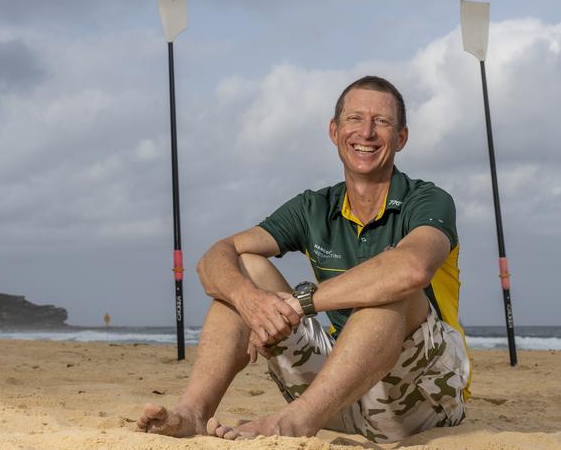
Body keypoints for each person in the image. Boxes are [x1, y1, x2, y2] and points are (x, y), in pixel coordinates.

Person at [136, 75, 471, 443]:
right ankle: (194, 413)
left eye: (383, 122)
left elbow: (412, 269)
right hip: (336, 395)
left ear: (401, 137)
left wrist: (301, 303)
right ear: (334, 130)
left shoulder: (427, 200)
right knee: (245, 267)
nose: (367, 132)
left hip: (418, 397)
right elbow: (214, 259)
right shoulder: (315, 206)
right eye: (355, 119)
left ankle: (293, 423)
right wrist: (252, 303)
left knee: (393, 291)